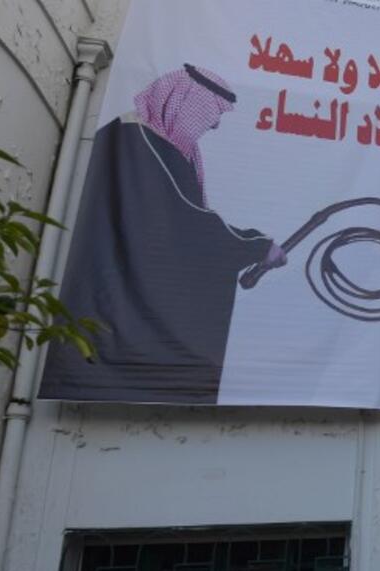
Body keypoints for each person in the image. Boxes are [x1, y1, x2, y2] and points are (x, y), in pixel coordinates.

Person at [40, 65, 287, 404]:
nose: (213, 124)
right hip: (123, 340)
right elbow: (188, 226)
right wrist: (259, 247)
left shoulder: (135, 139)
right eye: (210, 114)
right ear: (183, 102)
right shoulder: (143, 144)